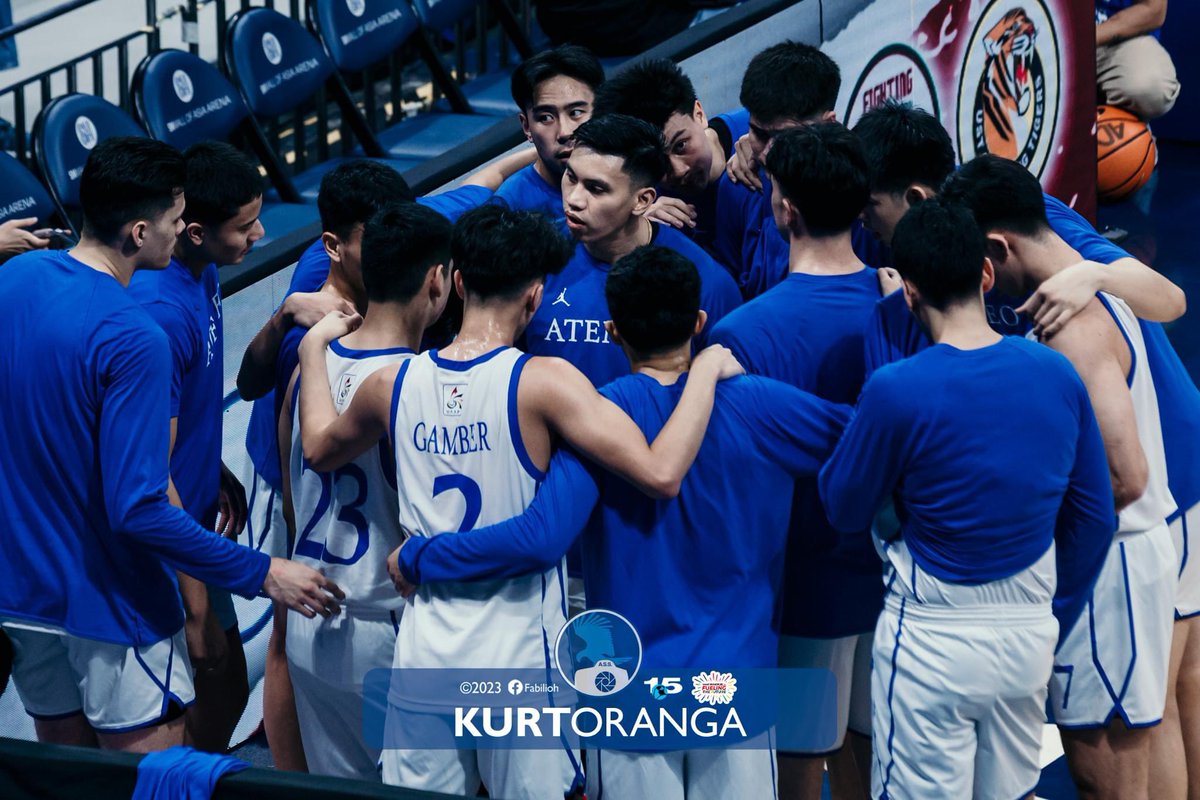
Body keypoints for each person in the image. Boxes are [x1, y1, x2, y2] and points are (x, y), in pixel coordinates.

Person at [296, 205, 740, 798]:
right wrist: (706, 366)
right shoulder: (544, 382)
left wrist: (310, 352)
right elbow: (660, 472)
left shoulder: (393, 382)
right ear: (534, 297)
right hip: (516, 654)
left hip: (426, 644)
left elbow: (319, 447)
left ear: (456, 282)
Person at [390, 244, 851, 800]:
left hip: (626, 693)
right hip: (734, 685)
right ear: (699, 322)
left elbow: (541, 536)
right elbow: (881, 441)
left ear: (613, 331)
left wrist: (418, 555)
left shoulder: (599, 420)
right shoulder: (766, 406)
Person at [0, 136, 341, 754]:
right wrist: (262, 572)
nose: (184, 228)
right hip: (107, 597)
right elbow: (140, 506)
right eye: (174, 219)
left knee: (64, 766)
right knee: (157, 770)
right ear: (138, 231)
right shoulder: (136, 336)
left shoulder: (16, 279)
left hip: (20, 592)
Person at [819, 198, 1115, 799]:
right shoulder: (1055, 371)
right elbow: (1095, 517)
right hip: (1030, 635)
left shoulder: (895, 389)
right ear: (985, 273)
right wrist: (1050, 611)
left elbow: (844, 508)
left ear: (908, 291)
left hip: (932, 639)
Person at [943, 155, 1177, 799]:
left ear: (997, 245)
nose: (983, 283)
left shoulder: (1073, 324)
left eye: (982, 265)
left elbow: (1121, 478)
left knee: (1106, 773)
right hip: (1122, 563)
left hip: (1110, 568)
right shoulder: (1090, 286)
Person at [708, 123, 880, 800]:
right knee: (875, 745)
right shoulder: (906, 304)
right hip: (895, 570)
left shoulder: (740, 333)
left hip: (801, 582)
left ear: (784, 209)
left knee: (799, 761)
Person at [276, 202, 453, 780]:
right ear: (438, 278)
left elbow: (290, 491)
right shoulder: (418, 385)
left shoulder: (311, 368)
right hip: (390, 623)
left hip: (311, 613)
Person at [852, 102, 1185, 370]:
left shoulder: (1008, 212)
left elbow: (1171, 301)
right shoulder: (886, 231)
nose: (860, 218)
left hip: (1161, 431)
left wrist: (1093, 273)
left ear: (915, 198)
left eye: (869, 205)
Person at [127, 141, 263, 752]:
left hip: (198, 513)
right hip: (166, 544)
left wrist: (215, 463)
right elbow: (151, 465)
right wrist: (197, 607)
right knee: (208, 683)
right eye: (245, 226)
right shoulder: (158, 312)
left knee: (227, 681)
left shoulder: (202, 269)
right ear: (197, 231)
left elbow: (186, 406)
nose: (259, 234)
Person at [526, 113, 742, 389]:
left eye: (596, 188)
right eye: (571, 177)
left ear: (642, 200)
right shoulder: (531, 256)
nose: (574, 200)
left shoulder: (705, 284)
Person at [707, 41, 885, 298]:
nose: (768, 153)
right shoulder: (737, 185)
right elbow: (730, 286)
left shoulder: (868, 190)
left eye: (783, 136)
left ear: (827, 123)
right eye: (758, 133)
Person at [591, 58, 750, 253]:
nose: (678, 170)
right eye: (656, 161)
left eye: (681, 145)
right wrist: (644, 232)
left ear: (699, 114)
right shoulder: (643, 201)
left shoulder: (762, 129)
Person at [496, 44, 605, 222]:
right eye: (546, 118)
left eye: (576, 113)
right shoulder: (509, 209)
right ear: (526, 127)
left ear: (601, 111)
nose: (565, 132)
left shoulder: (634, 172)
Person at [1096, 0, 1180, 120]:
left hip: (1118, 37)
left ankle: (1119, 127)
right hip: (1062, 36)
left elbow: (1152, 10)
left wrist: (1087, 37)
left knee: (1150, 86)